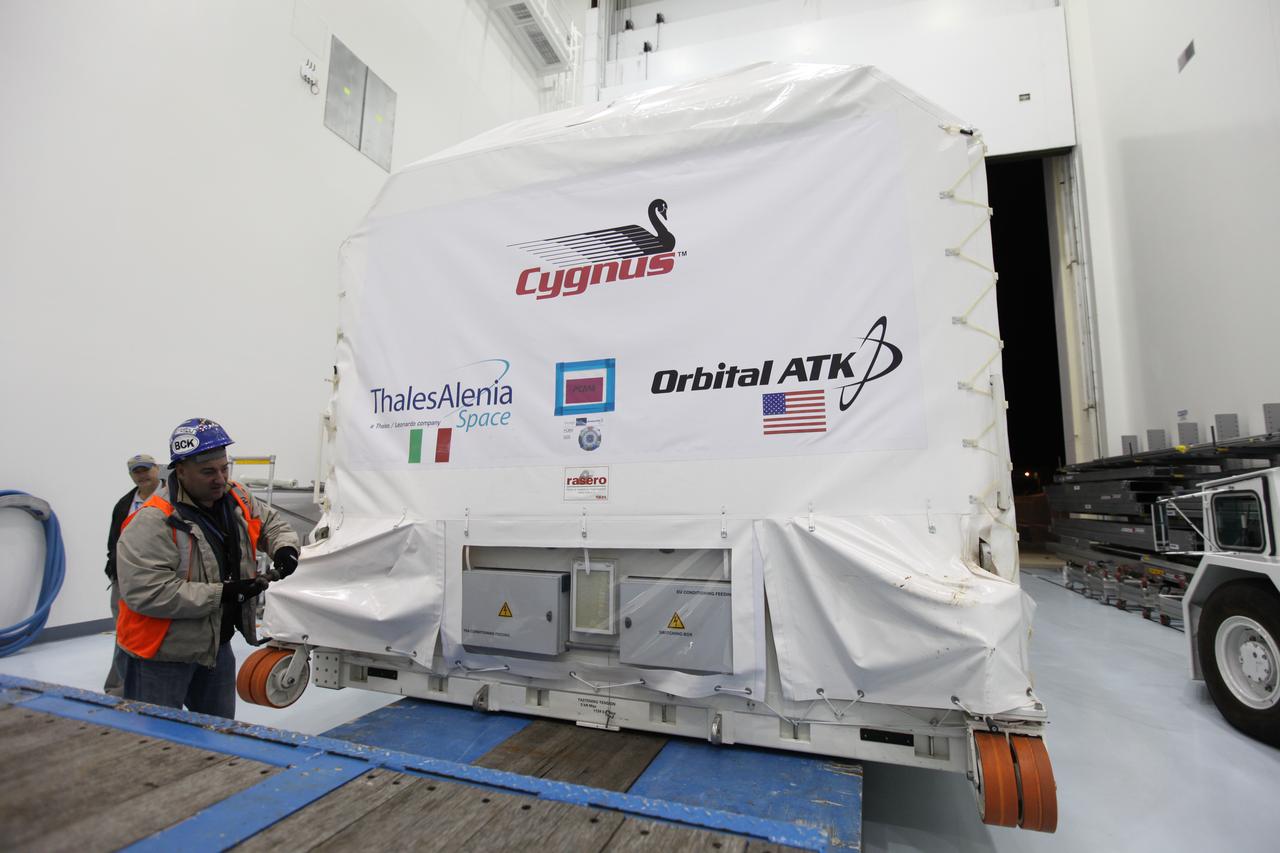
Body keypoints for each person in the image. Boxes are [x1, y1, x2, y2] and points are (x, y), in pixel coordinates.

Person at [115, 418, 300, 717]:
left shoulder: (236, 496)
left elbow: (270, 524)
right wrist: (224, 593)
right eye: (208, 472)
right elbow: (148, 592)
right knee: (155, 737)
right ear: (181, 471)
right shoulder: (153, 521)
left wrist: (285, 548)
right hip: (160, 655)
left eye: (224, 469)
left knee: (218, 732)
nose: (220, 479)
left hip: (215, 646)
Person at [103, 453, 165, 696]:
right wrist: (114, 568)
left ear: (157, 469)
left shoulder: (172, 498)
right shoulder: (124, 504)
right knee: (124, 632)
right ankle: (118, 688)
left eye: (145, 469)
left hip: (161, 578)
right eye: (136, 471)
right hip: (125, 578)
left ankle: (152, 687)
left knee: (158, 635)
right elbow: (114, 541)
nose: (142, 475)